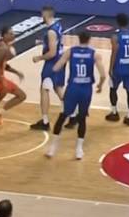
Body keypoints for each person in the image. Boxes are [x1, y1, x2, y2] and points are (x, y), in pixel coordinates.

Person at [45, 31, 106, 160]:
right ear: (89, 39)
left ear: (79, 38)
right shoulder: (95, 54)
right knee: (82, 118)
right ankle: (79, 149)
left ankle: (53, 147)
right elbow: (103, 75)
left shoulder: (70, 52)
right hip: (86, 90)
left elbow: (56, 68)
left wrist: (58, 75)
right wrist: (100, 85)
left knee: (63, 116)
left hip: (72, 88)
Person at [30, 6, 65, 132]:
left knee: (44, 89)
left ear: (45, 15)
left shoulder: (51, 32)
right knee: (58, 88)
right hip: (60, 61)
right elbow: (56, 42)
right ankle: (73, 114)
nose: (41, 17)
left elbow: (52, 53)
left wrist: (39, 58)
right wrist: (42, 42)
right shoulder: (58, 26)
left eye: (42, 15)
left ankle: (45, 122)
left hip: (52, 63)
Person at [106, 13, 129, 127]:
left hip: (118, 68)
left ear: (117, 22)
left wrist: (110, 68)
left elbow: (114, 52)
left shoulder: (115, 36)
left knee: (112, 89)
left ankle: (114, 112)